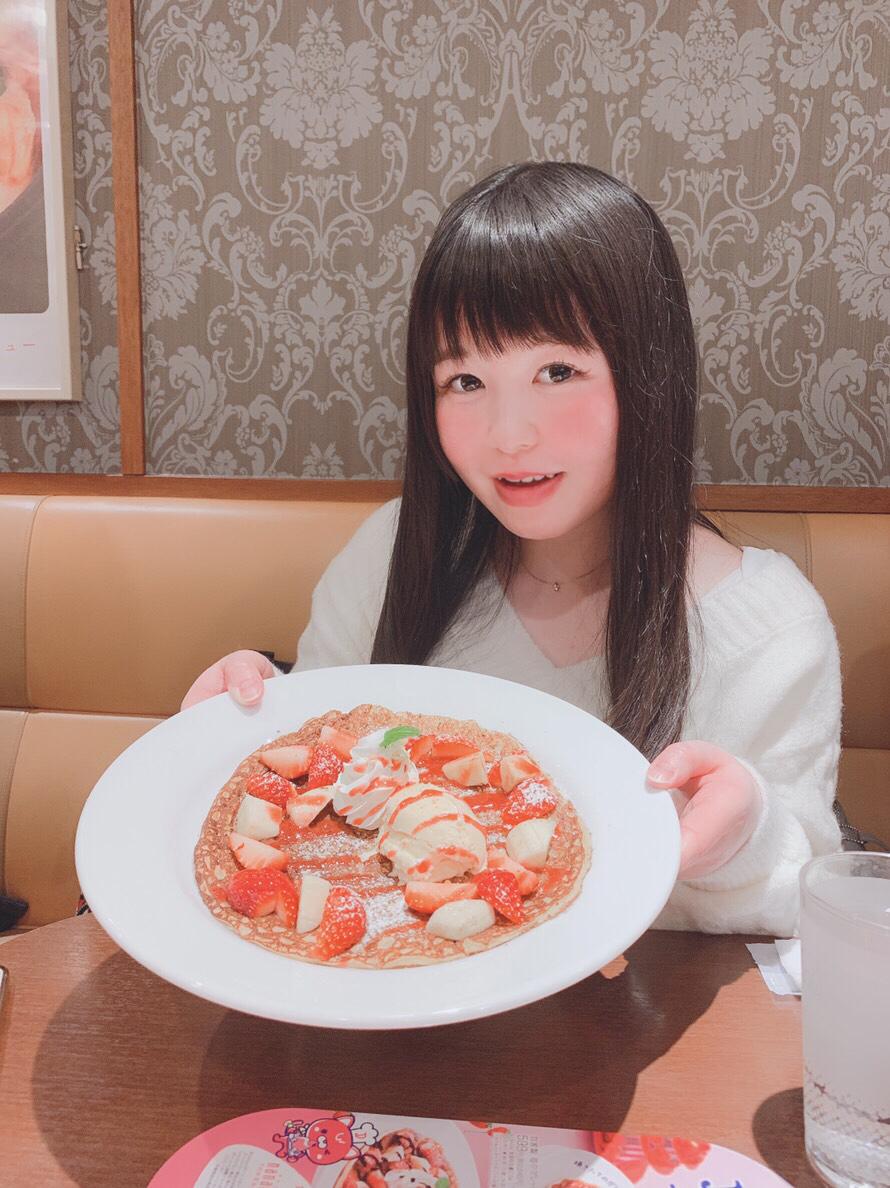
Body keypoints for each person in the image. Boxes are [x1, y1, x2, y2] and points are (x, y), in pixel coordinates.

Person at [182, 162, 842, 937]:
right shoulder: (392, 554)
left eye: (557, 371)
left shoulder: (766, 627)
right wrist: (240, 728)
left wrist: (745, 830)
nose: (509, 435)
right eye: (464, 380)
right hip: (403, 1004)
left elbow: (811, 900)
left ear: (650, 376)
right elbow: (317, 807)